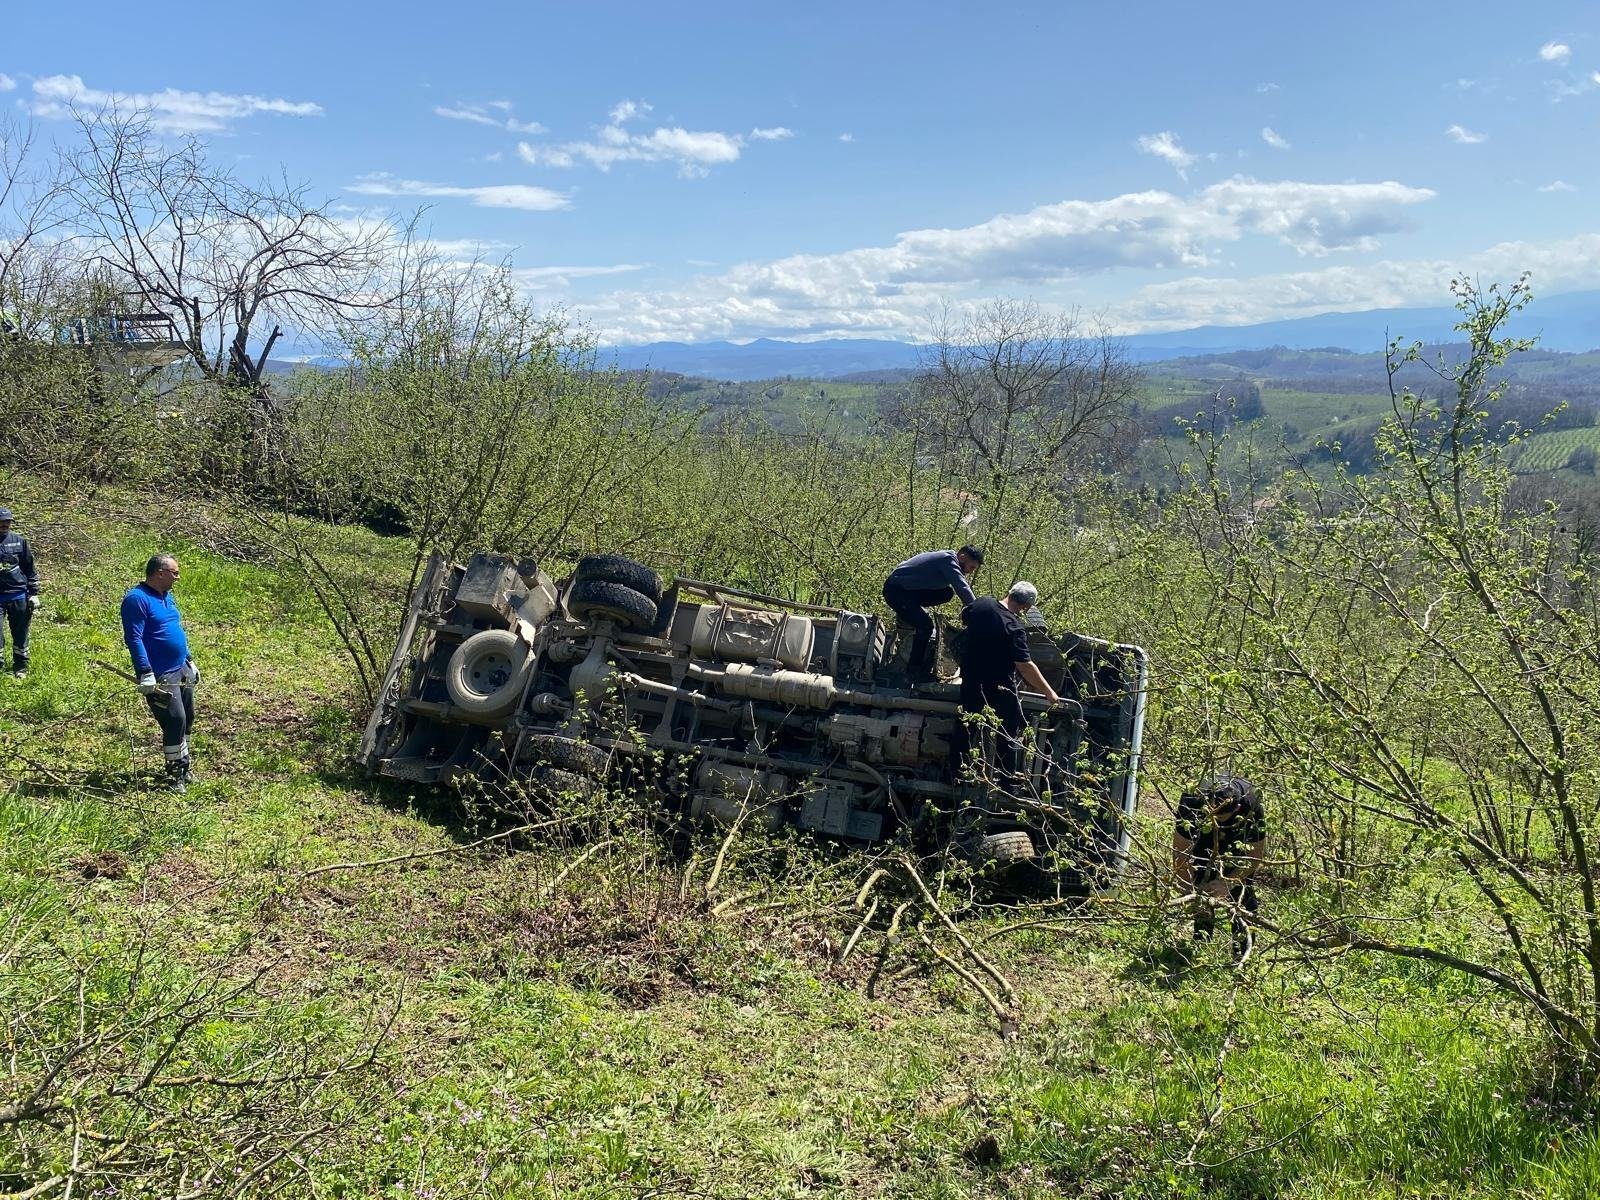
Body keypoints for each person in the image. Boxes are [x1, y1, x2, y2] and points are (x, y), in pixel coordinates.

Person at [954, 580, 1061, 779]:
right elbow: (1025, 666)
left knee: (965, 729)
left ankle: (955, 776)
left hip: (970, 680)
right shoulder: (1014, 628)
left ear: (1009, 592)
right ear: (1026, 606)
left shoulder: (981, 604)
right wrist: (1050, 693)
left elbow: (965, 619)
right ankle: (1006, 782)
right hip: (999, 688)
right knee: (1008, 734)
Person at [121, 553, 201, 791]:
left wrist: (189, 660)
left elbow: (174, 629)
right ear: (160, 573)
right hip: (160, 673)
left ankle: (184, 767)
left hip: (181, 667)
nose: (178, 577)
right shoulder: (136, 599)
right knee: (174, 719)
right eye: (174, 573)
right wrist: (145, 671)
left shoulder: (167, 597)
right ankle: (174, 774)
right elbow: (134, 638)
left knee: (187, 717)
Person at [1173, 774, 1267, 959]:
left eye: (1222, 816)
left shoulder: (1251, 803)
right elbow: (1180, 853)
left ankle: (1242, 954)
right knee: (1203, 885)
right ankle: (1200, 947)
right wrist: (1188, 892)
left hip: (1239, 840)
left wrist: (1228, 882)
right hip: (1204, 836)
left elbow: (1255, 855)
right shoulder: (1192, 800)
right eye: (1213, 813)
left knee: (1243, 894)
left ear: (1237, 808)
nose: (1217, 819)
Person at [882, 545, 983, 682]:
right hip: (895, 591)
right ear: (963, 557)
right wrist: (979, 612)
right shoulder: (948, 560)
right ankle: (913, 671)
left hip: (908, 590)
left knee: (946, 593)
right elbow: (962, 587)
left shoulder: (947, 558)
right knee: (925, 627)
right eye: (971, 567)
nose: (970, 572)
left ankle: (914, 611)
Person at [0, 507, 41, 679]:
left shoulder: (19, 541)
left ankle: (21, 667)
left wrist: (34, 593)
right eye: (2, 522)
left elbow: (29, 567)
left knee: (20, 633)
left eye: (7, 522)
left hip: (19, 595)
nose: (4, 525)